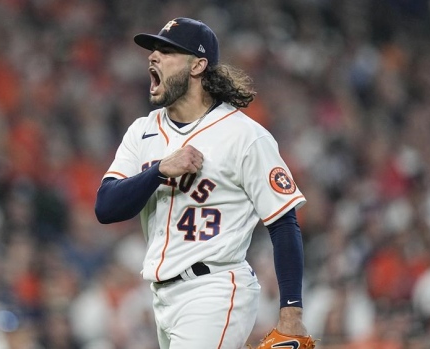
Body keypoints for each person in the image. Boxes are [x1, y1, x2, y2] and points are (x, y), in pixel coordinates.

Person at [95, 17, 310, 348]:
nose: (153, 57)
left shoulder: (244, 135)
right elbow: (106, 207)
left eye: (166, 51)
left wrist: (291, 312)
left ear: (198, 65)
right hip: (161, 295)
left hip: (216, 289)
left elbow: (284, 224)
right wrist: (159, 171)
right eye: (153, 50)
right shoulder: (143, 131)